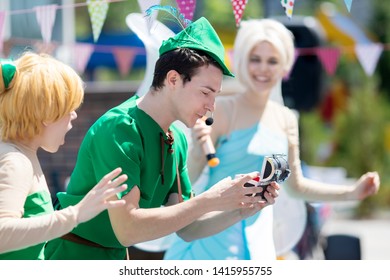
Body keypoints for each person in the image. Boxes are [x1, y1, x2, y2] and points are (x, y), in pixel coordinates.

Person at [44, 16, 280, 260]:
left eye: (215, 96)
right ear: (173, 79)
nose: (212, 107)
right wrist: (211, 199)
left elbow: (188, 228)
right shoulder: (120, 129)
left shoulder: (176, 137)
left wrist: (241, 207)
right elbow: (128, 228)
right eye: (205, 93)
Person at [163, 18, 380, 260]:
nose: (263, 68)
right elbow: (184, 186)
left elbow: (296, 186)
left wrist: (352, 192)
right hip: (208, 241)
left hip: (258, 245)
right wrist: (195, 154)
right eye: (256, 59)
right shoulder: (221, 109)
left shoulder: (286, 118)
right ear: (243, 60)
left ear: (285, 65)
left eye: (272, 61)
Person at [0, 52, 129, 260]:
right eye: (69, 108)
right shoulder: (16, 161)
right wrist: (76, 214)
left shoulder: (20, 154)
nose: (74, 115)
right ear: (48, 113)